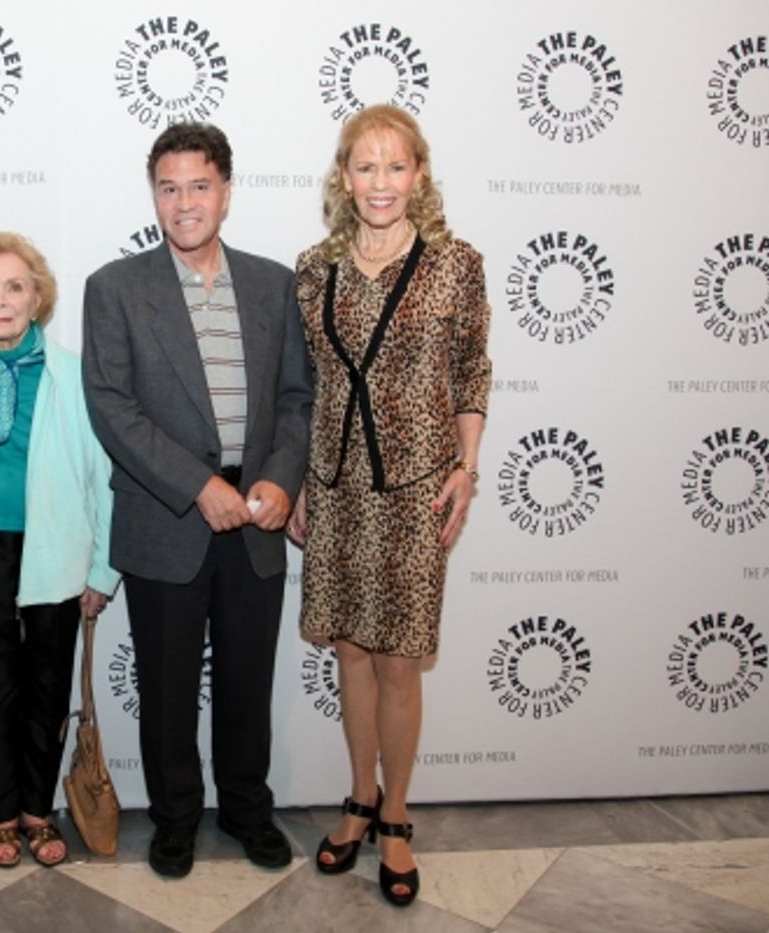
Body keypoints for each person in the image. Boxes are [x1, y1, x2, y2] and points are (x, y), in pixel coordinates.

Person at [82, 123, 314, 878]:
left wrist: (279, 477)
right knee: (168, 686)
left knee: (249, 682)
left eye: (200, 185)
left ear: (226, 190)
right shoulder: (115, 287)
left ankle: (247, 806)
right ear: (154, 194)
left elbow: (295, 397)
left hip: (257, 519)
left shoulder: (274, 283)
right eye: (169, 187)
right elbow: (113, 409)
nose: (185, 203)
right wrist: (199, 485)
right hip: (166, 517)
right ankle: (175, 818)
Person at [289, 104, 491, 908]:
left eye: (395, 165)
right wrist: (300, 476)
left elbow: (473, 369)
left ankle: (397, 811)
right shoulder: (314, 268)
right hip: (334, 488)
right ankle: (359, 795)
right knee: (350, 652)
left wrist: (467, 467)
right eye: (365, 166)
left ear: (419, 173)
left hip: (413, 488)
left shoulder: (454, 263)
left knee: (400, 658)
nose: (380, 182)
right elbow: (304, 388)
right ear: (345, 176)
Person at [0, 232, 120, 868]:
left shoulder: (73, 372)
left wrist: (103, 567)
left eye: (14, 286)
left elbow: (105, 474)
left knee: (47, 685)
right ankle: (0, 813)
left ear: (37, 296)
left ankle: (38, 812)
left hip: (58, 547)